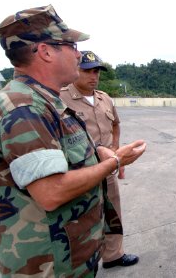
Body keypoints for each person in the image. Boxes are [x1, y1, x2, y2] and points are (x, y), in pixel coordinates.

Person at [0, 5, 146, 277]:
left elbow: (67, 151)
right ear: (45, 51)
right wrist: (114, 161)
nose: (78, 54)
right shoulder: (24, 108)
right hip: (48, 263)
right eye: (71, 45)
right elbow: (52, 192)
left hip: (70, 254)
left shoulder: (44, 100)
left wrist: (98, 151)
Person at [60, 51, 139, 269]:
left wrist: (115, 151)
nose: (93, 76)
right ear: (75, 70)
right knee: (82, 219)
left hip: (107, 168)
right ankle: (84, 263)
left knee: (112, 212)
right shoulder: (60, 98)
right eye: (87, 70)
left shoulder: (105, 98)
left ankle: (113, 255)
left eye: (96, 71)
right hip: (80, 173)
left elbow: (115, 125)